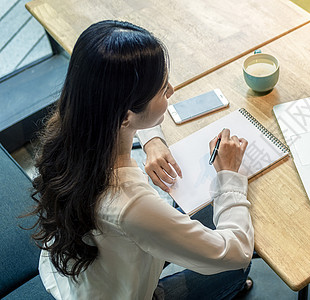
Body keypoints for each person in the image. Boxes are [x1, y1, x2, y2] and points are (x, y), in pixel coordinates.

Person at [29, 20, 254, 299]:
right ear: (126, 116)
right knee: (235, 268)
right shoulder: (130, 204)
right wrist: (229, 176)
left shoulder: (70, 127)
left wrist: (152, 139)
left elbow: (127, 110)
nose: (171, 90)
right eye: (161, 90)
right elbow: (236, 252)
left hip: (78, 276)